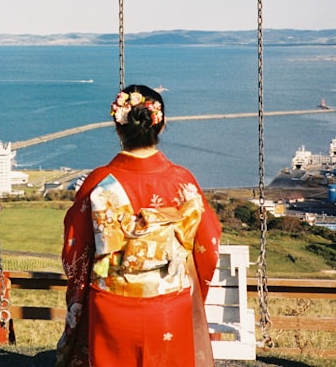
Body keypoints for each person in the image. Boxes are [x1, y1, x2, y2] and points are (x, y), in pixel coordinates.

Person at [56, 84, 222, 367]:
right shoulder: (183, 180)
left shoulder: (99, 181)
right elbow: (208, 244)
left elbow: (75, 247)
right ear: (161, 126)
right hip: (170, 301)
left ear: (118, 128)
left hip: (111, 302)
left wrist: (81, 290)